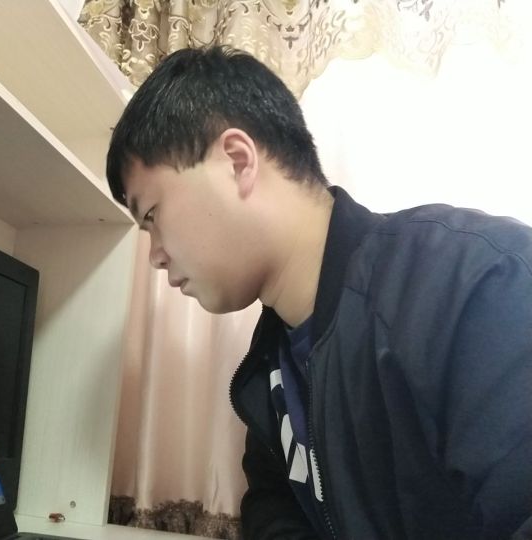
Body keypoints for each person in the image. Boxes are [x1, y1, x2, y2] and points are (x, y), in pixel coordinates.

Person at [104, 45, 532, 540]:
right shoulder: (271, 360)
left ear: (237, 161)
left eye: (152, 215)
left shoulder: (478, 284)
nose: (155, 255)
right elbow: (272, 506)